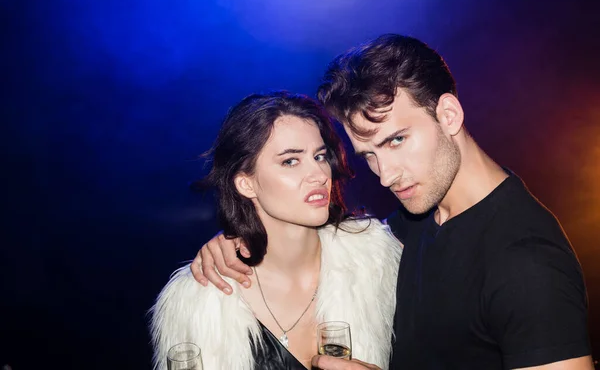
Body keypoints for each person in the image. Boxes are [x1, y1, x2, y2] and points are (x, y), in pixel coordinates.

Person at [190, 35, 593, 370]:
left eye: (397, 140)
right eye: (369, 156)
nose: (386, 175)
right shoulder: (415, 219)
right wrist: (236, 240)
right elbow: (334, 244)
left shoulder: (527, 262)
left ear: (448, 115)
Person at [149, 92, 402, 370]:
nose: (319, 174)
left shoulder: (377, 264)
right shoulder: (200, 302)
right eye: (290, 161)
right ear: (246, 184)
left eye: (319, 156)